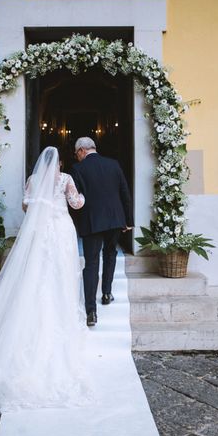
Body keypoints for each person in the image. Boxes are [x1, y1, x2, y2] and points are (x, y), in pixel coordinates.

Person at [0, 146, 94, 416]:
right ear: (58, 164)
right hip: (60, 233)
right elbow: (76, 204)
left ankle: (27, 329)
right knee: (60, 277)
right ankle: (62, 317)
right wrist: (81, 195)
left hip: (38, 234)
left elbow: (26, 206)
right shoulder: (66, 179)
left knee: (35, 279)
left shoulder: (33, 181)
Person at [69, 137, 133, 326]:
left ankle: (91, 311)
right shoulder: (113, 164)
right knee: (110, 254)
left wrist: (74, 221)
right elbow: (125, 193)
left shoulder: (77, 169)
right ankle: (106, 293)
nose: (76, 157)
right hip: (115, 219)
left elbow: (75, 202)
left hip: (92, 221)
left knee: (91, 262)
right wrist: (127, 220)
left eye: (76, 153)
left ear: (81, 150)